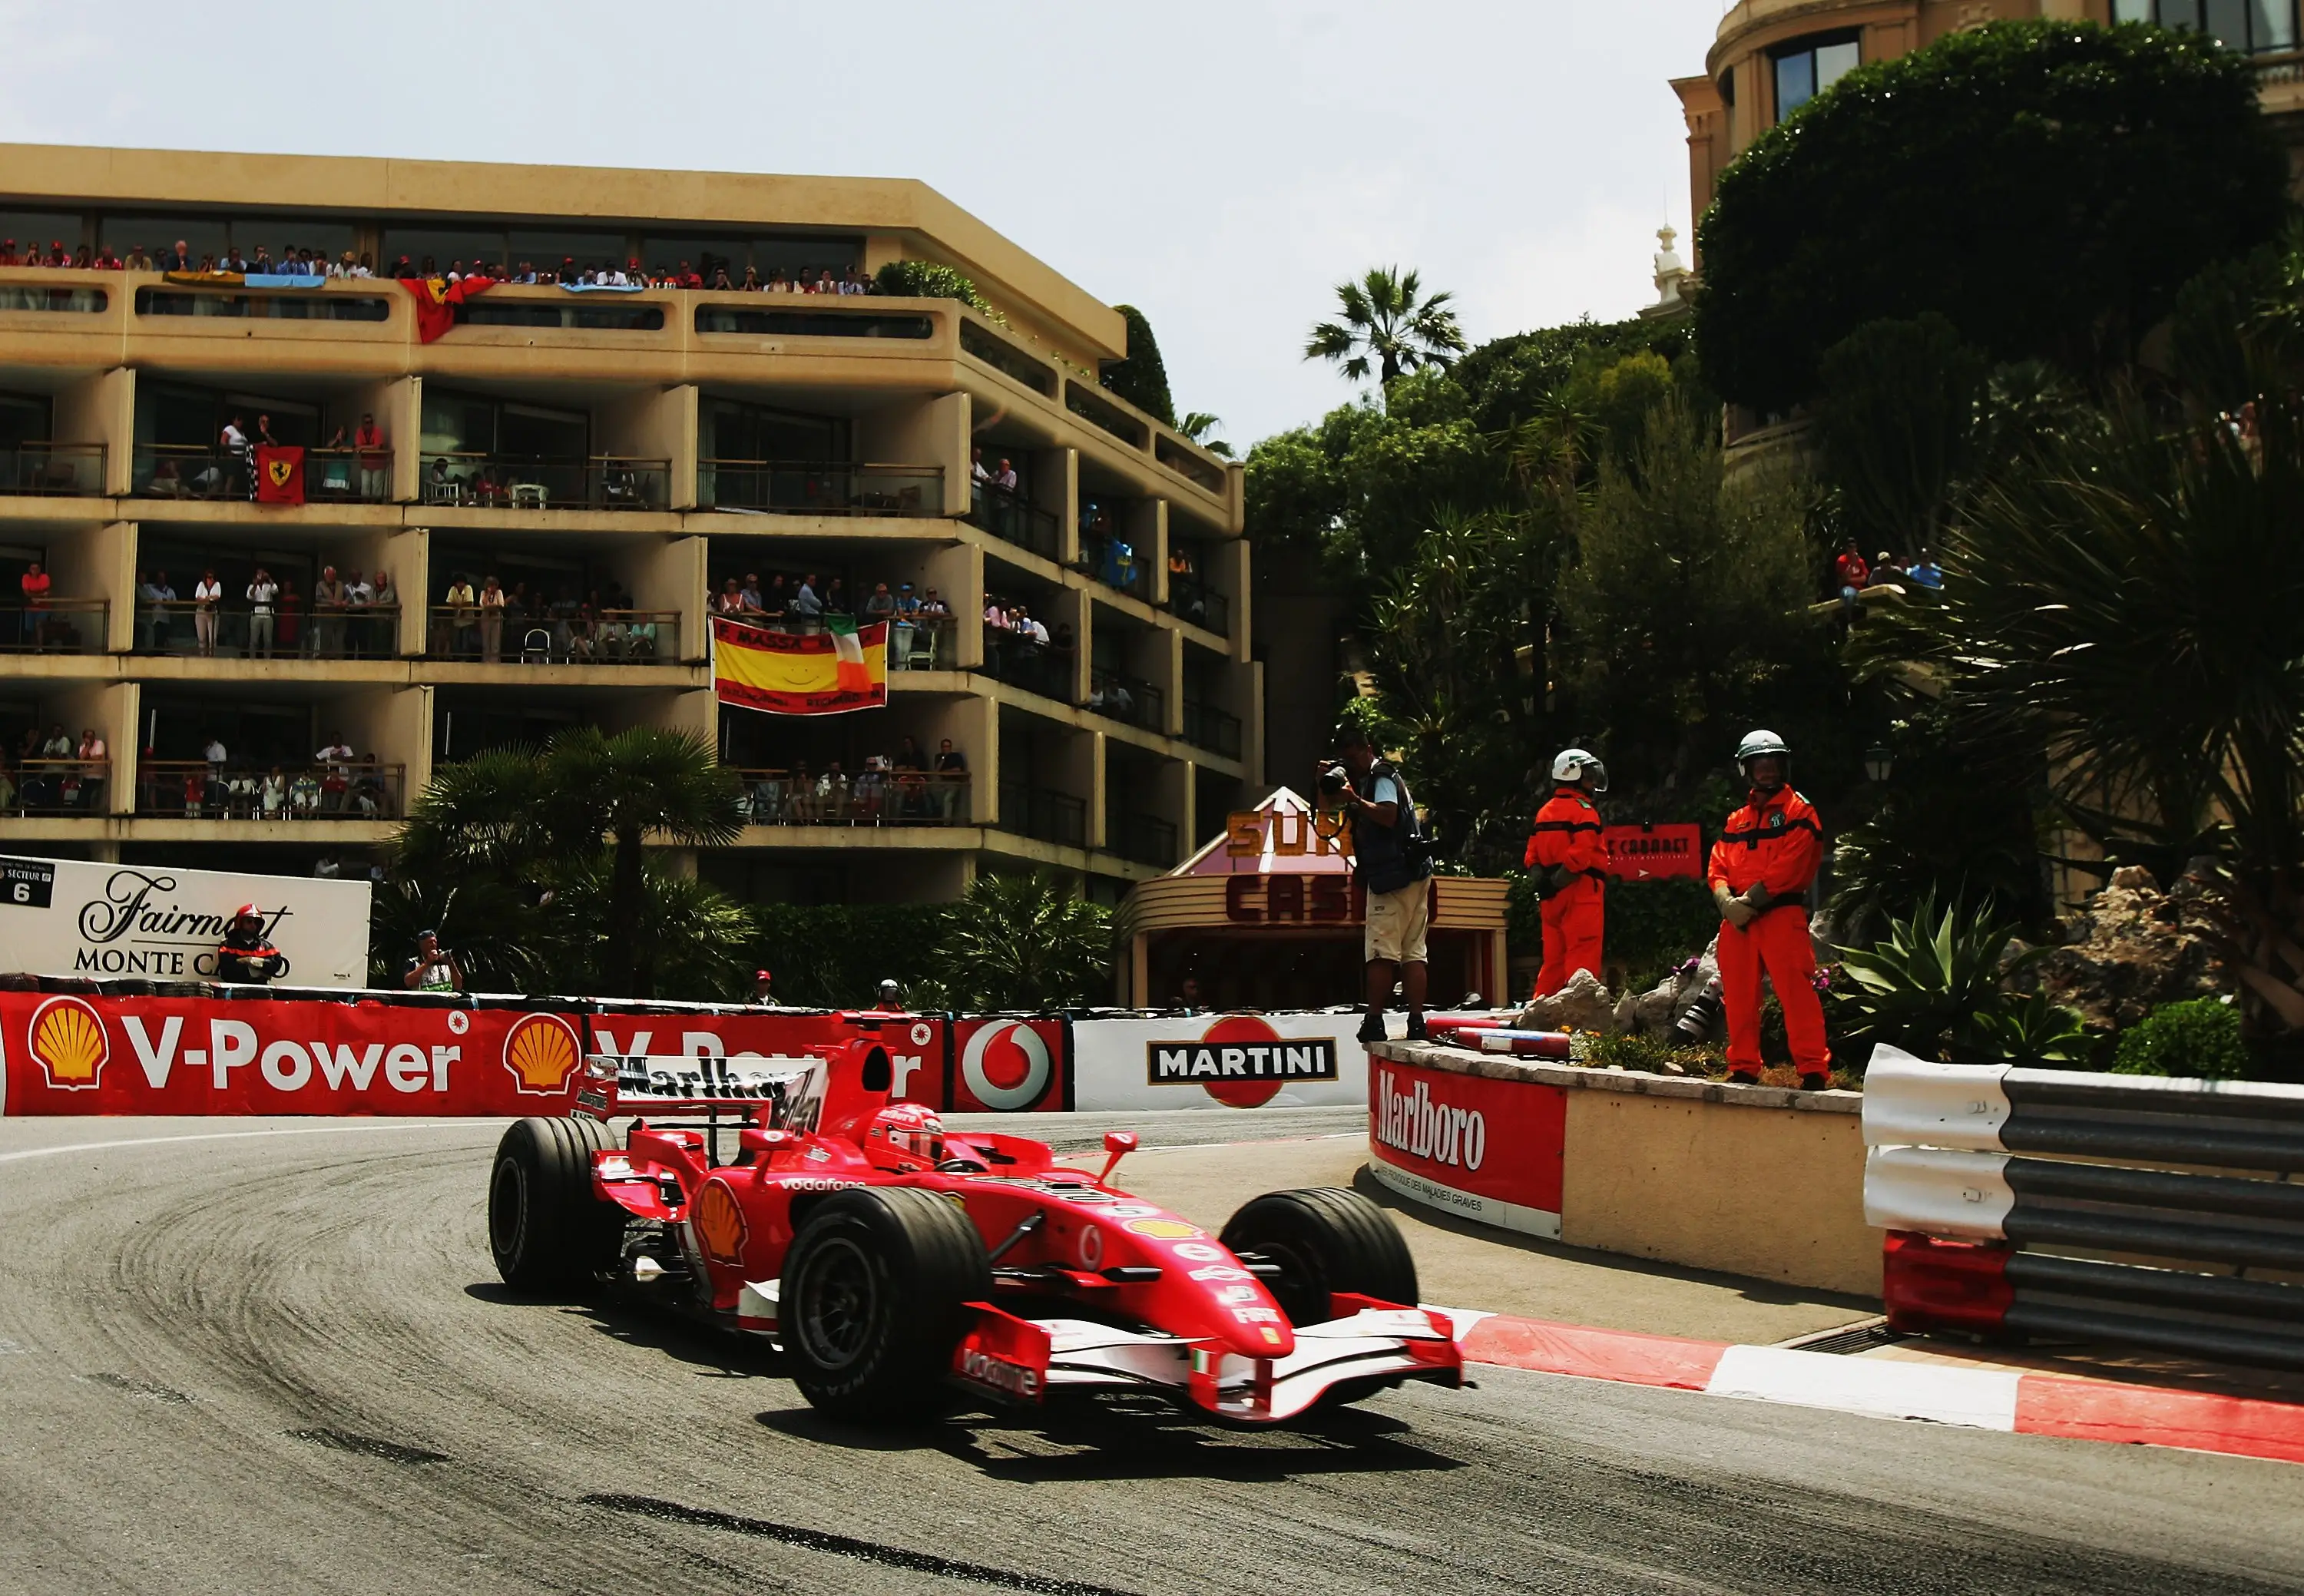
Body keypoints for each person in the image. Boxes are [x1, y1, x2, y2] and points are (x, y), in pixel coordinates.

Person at [1707, 730, 1831, 1092]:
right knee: (1740, 996)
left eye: (1773, 763)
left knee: (1797, 993)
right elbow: (1717, 863)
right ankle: (1743, 1066)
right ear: (1746, 770)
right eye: (1760, 765)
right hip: (1739, 921)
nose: (1768, 771)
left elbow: (1791, 864)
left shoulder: (1800, 811)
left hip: (1780, 914)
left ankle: (1812, 1070)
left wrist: (1747, 903)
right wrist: (1725, 900)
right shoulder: (1737, 820)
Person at [1329, 723, 1433, 1043]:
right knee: (1414, 951)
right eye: (1344, 762)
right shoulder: (1377, 777)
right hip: (1414, 871)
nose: (1351, 766)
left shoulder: (1380, 777)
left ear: (1367, 749)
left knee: (1380, 952)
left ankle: (1375, 1020)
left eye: (1352, 758)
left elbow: (1387, 815)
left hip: (1393, 877)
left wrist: (1353, 798)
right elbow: (1326, 807)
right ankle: (1417, 1022)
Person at [1526, 748, 1609, 998]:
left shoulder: (1544, 812)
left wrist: (1545, 883)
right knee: (1582, 952)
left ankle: (1540, 1011)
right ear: (1573, 775)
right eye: (1588, 775)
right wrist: (1560, 881)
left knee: (1553, 959)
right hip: (1580, 890)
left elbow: (1532, 856)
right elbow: (1581, 855)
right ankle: (1579, 1020)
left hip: (1551, 898)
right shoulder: (1584, 811)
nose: (1593, 781)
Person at [214, 905, 283, 985]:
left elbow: (276, 965)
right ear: (240, 923)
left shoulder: (267, 946)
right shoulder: (227, 945)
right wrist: (256, 971)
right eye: (249, 921)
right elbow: (227, 971)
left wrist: (251, 961)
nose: (253, 925)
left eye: (256, 922)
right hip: (235, 992)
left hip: (261, 992)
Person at [402, 929, 464, 993]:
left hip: (446, 1001)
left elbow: (458, 986)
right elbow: (408, 983)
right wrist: (427, 963)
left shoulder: (444, 961)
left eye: (435, 942)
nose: (433, 944)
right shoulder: (413, 962)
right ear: (421, 945)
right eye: (430, 942)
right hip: (424, 1001)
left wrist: (451, 964)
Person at [353, 411, 389, 501]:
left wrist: (363, 447)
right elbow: (357, 446)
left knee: (376, 487)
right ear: (363, 424)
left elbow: (377, 447)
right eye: (367, 423)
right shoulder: (359, 431)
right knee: (365, 485)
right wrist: (364, 447)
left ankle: (374, 506)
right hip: (366, 464)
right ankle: (365, 506)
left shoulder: (377, 431)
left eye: (371, 422)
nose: (369, 425)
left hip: (378, 464)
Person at [246, 567, 279, 658]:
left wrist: (269, 578)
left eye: (262, 574)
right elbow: (249, 596)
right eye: (259, 574)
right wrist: (256, 584)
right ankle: (252, 659)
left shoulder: (268, 586)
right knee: (254, 640)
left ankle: (267, 659)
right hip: (256, 615)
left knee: (268, 641)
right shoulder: (251, 586)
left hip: (267, 615)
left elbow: (276, 590)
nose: (260, 576)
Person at [1834, 539, 1870, 616]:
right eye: (1850, 547)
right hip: (1846, 588)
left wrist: (1850, 580)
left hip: (1859, 588)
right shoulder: (1841, 561)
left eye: (1854, 547)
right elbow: (1843, 579)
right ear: (1846, 548)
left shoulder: (1861, 562)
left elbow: (1864, 579)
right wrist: (1852, 564)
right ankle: (1849, 619)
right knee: (1850, 596)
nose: (1852, 549)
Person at [192, 568, 221, 656]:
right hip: (201, 611)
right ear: (206, 578)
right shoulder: (201, 584)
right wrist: (208, 598)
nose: (211, 580)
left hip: (212, 611)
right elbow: (197, 598)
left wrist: (205, 599)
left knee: (213, 638)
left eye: (213, 578)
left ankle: (212, 656)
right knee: (202, 638)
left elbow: (217, 596)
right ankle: (202, 656)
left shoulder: (217, 585)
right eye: (209, 577)